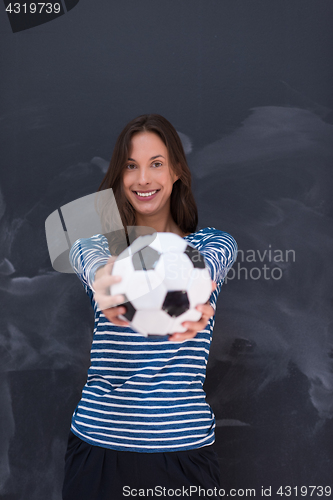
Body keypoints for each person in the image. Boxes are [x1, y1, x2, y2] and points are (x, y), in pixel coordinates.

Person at [62, 114, 237, 500]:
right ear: (119, 177)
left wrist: (178, 288)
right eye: (131, 166)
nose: (143, 179)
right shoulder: (97, 248)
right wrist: (111, 278)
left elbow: (201, 269)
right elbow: (87, 261)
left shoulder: (213, 245)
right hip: (99, 452)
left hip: (184, 456)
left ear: (176, 171)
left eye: (156, 164)